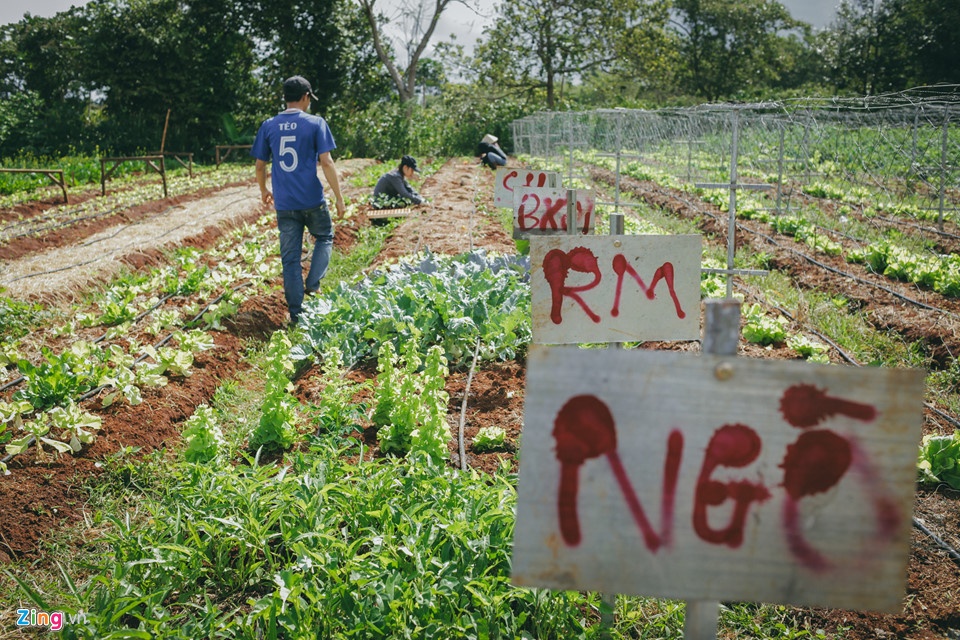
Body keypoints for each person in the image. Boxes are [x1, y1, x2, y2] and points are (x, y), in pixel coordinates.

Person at [251, 75, 346, 326]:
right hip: (312, 199)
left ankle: (296, 315)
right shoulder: (316, 123)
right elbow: (326, 162)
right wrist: (338, 197)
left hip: (285, 204)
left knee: (290, 259)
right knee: (324, 236)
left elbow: (260, 165)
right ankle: (313, 284)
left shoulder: (268, 125)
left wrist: (264, 190)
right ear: (305, 97)